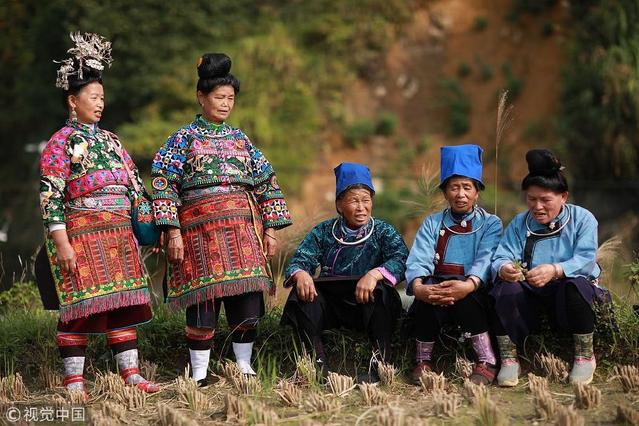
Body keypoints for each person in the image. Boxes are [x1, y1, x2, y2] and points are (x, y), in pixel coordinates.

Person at [151, 53, 292, 385]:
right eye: (219, 97)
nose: (226, 103)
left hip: (243, 232)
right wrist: (172, 232)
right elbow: (162, 184)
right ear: (202, 97)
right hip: (198, 233)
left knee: (247, 298)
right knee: (204, 299)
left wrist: (270, 228)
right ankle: (199, 373)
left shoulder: (241, 139)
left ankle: (244, 366)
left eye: (231, 98)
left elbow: (267, 182)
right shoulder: (181, 139)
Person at [39, 32, 159, 397]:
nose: (100, 104)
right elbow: (50, 195)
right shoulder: (60, 142)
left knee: (124, 303)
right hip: (82, 236)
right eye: (93, 97)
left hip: (120, 237)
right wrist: (62, 242)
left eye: (103, 98)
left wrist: (148, 231)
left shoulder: (111, 140)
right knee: (79, 306)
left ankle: (132, 375)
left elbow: (136, 187)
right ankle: (74, 380)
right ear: (72, 101)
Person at [281, 163, 408, 383]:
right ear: (340, 205)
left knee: (384, 294)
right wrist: (301, 274)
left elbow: (401, 259)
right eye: (354, 200)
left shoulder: (383, 231)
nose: (361, 207)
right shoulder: (323, 232)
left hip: (368, 302)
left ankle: (380, 363)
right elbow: (300, 261)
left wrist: (374, 274)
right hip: (333, 306)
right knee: (300, 296)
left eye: (366, 200)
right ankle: (317, 362)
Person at [490, 149, 608, 386]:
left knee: (576, 286)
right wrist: (504, 268)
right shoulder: (519, 224)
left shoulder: (583, 219)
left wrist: (554, 270)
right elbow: (502, 255)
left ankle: (584, 356)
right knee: (503, 289)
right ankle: (509, 359)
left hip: (566, 291)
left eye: (545, 200)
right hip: (531, 291)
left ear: (563, 196)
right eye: (531, 199)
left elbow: (586, 259)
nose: (538, 207)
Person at [405, 145, 503, 385]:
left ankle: (486, 359)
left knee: (469, 299)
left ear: (477, 192)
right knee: (427, 295)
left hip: (473, 291)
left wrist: (468, 286)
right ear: (445, 193)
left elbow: (486, 258)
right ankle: (422, 360)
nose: (461, 194)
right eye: (454, 187)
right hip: (439, 290)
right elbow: (419, 257)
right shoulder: (432, 223)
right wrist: (419, 287)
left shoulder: (491, 224)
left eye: (467, 187)